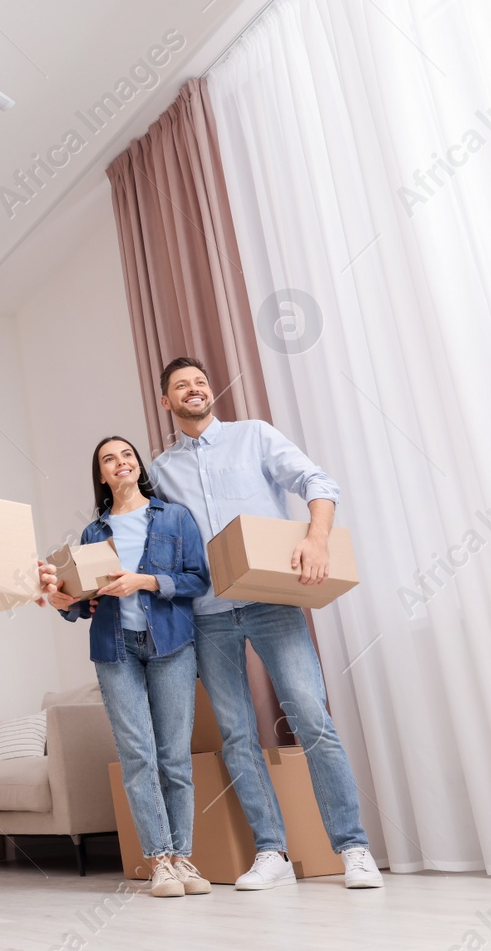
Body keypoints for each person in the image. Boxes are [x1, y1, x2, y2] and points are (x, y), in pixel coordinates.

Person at [147, 356, 383, 890]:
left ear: (211, 393)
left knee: (310, 717)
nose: (194, 390)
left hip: (272, 603)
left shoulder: (253, 436)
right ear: (166, 401)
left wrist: (315, 539)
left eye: (200, 383)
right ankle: (271, 852)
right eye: (181, 386)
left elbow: (318, 482)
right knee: (236, 734)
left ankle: (353, 848)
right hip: (206, 614)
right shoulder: (160, 471)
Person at [40, 436, 213, 898]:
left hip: (171, 644)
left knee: (175, 757)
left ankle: (183, 858)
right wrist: (62, 601)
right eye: (109, 459)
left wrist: (147, 580)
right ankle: (158, 861)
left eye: (127, 456)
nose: (120, 463)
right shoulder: (94, 533)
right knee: (139, 757)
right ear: (101, 475)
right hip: (116, 650)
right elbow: (84, 601)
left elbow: (198, 578)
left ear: (138, 466)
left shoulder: (174, 517)